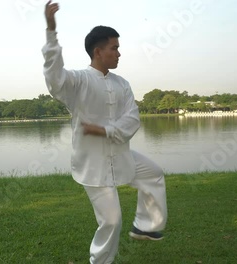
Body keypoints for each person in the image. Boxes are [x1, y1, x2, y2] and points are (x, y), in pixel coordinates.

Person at [42, 1, 168, 263]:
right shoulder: (77, 81)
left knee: (154, 174)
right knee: (111, 221)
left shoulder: (122, 84)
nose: (119, 54)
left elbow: (132, 118)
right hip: (93, 165)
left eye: (119, 49)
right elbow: (54, 78)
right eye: (115, 48)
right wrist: (51, 31)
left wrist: (105, 130)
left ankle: (146, 226)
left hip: (121, 156)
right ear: (98, 52)